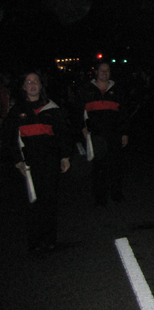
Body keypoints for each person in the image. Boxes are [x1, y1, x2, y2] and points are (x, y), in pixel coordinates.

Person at [1, 71, 72, 253]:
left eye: (36, 81)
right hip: (28, 165)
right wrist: (17, 162)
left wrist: (64, 156)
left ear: (41, 85)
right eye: (28, 82)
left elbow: (62, 134)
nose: (32, 85)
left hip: (49, 162)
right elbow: (8, 138)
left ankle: (49, 240)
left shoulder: (52, 108)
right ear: (24, 87)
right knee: (32, 203)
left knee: (49, 201)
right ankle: (34, 241)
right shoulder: (17, 111)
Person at [78, 62, 129, 206]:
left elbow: (123, 113)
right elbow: (79, 111)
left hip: (114, 134)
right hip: (96, 135)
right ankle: (100, 197)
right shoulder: (86, 90)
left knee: (116, 166)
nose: (104, 73)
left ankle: (116, 194)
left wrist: (124, 132)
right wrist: (83, 128)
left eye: (107, 70)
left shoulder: (117, 90)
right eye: (101, 70)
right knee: (98, 168)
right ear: (96, 72)